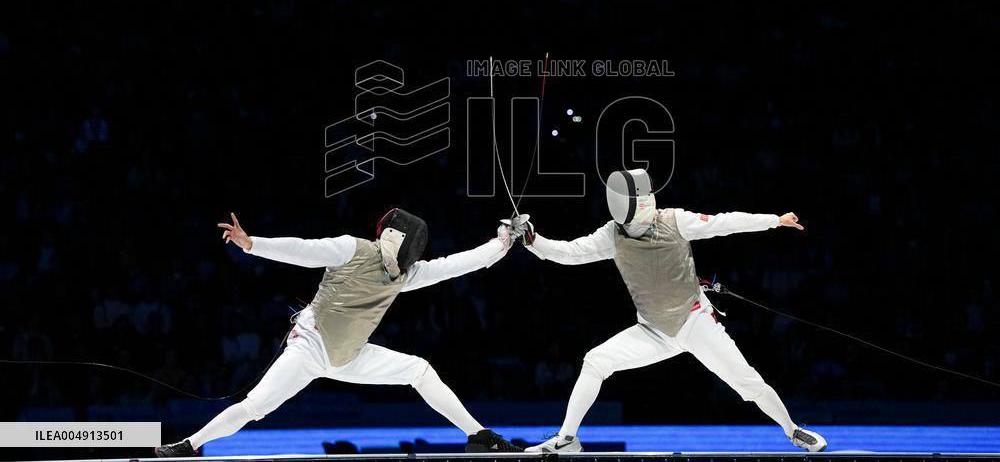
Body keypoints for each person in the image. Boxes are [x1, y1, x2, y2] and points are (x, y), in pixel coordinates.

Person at [155, 209, 521, 456]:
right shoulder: (353, 249)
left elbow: (457, 265)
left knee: (419, 370)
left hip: (349, 356)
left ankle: (479, 435)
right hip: (310, 347)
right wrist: (254, 245)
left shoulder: (406, 275)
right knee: (255, 406)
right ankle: (189, 444)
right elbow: (304, 250)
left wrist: (503, 241)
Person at [520, 169, 827, 453]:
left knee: (747, 382)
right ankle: (568, 439)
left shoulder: (675, 220)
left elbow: (725, 223)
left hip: (694, 321)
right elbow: (569, 253)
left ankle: (793, 430)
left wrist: (774, 219)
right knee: (596, 361)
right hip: (653, 331)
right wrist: (533, 240)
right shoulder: (612, 236)